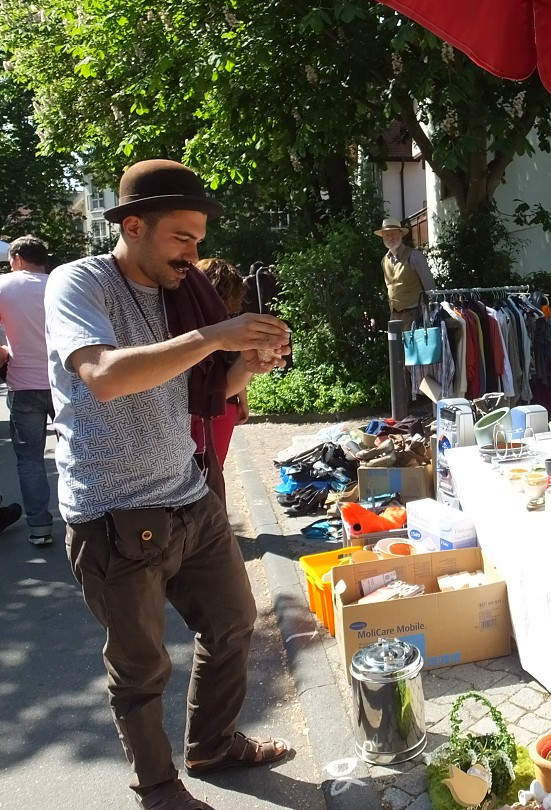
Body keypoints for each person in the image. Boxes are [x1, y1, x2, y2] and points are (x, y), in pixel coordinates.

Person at [45, 159, 293, 810]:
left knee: (236, 621)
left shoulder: (181, 295)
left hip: (186, 494)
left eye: (199, 237)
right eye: (182, 237)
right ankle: (158, 790)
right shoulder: (79, 284)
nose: (195, 252)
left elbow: (201, 390)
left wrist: (247, 364)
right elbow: (103, 375)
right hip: (114, 514)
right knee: (141, 669)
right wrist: (213, 336)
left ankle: (211, 743)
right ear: (133, 226)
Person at [0, 235, 54, 542]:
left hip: (23, 387)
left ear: (18, 258)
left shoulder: (3, 286)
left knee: (30, 459)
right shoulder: (61, 283)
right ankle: (86, 524)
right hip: (65, 383)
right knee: (78, 451)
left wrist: (5, 354)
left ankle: (39, 528)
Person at [193, 258, 249, 468]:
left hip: (188, 404)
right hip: (222, 406)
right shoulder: (232, 324)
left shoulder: (184, 318)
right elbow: (238, 361)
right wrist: (242, 400)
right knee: (212, 471)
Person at [377, 217, 433, 330]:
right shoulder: (384, 261)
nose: (390, 238)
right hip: (394, 315)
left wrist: (430, 312)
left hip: (414, 313)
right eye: (387, 235)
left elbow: (430, 288)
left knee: (413, 347)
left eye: (393, 234)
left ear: (401, 234)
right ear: (383, 237)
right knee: (395, 347)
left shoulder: (414, 256)